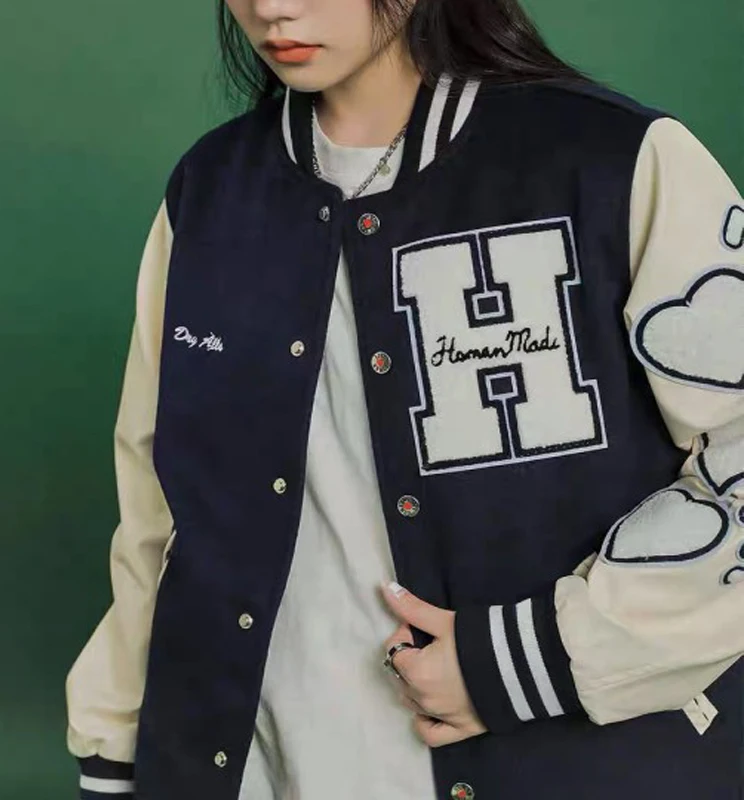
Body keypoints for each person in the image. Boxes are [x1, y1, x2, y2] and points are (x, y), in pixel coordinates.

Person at [64, 0, 744, 798]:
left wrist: (536, 655)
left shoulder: (617, 159)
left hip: (570, 763)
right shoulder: (209, 191)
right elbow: (158, 505)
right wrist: (116, 747)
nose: (272, 7)